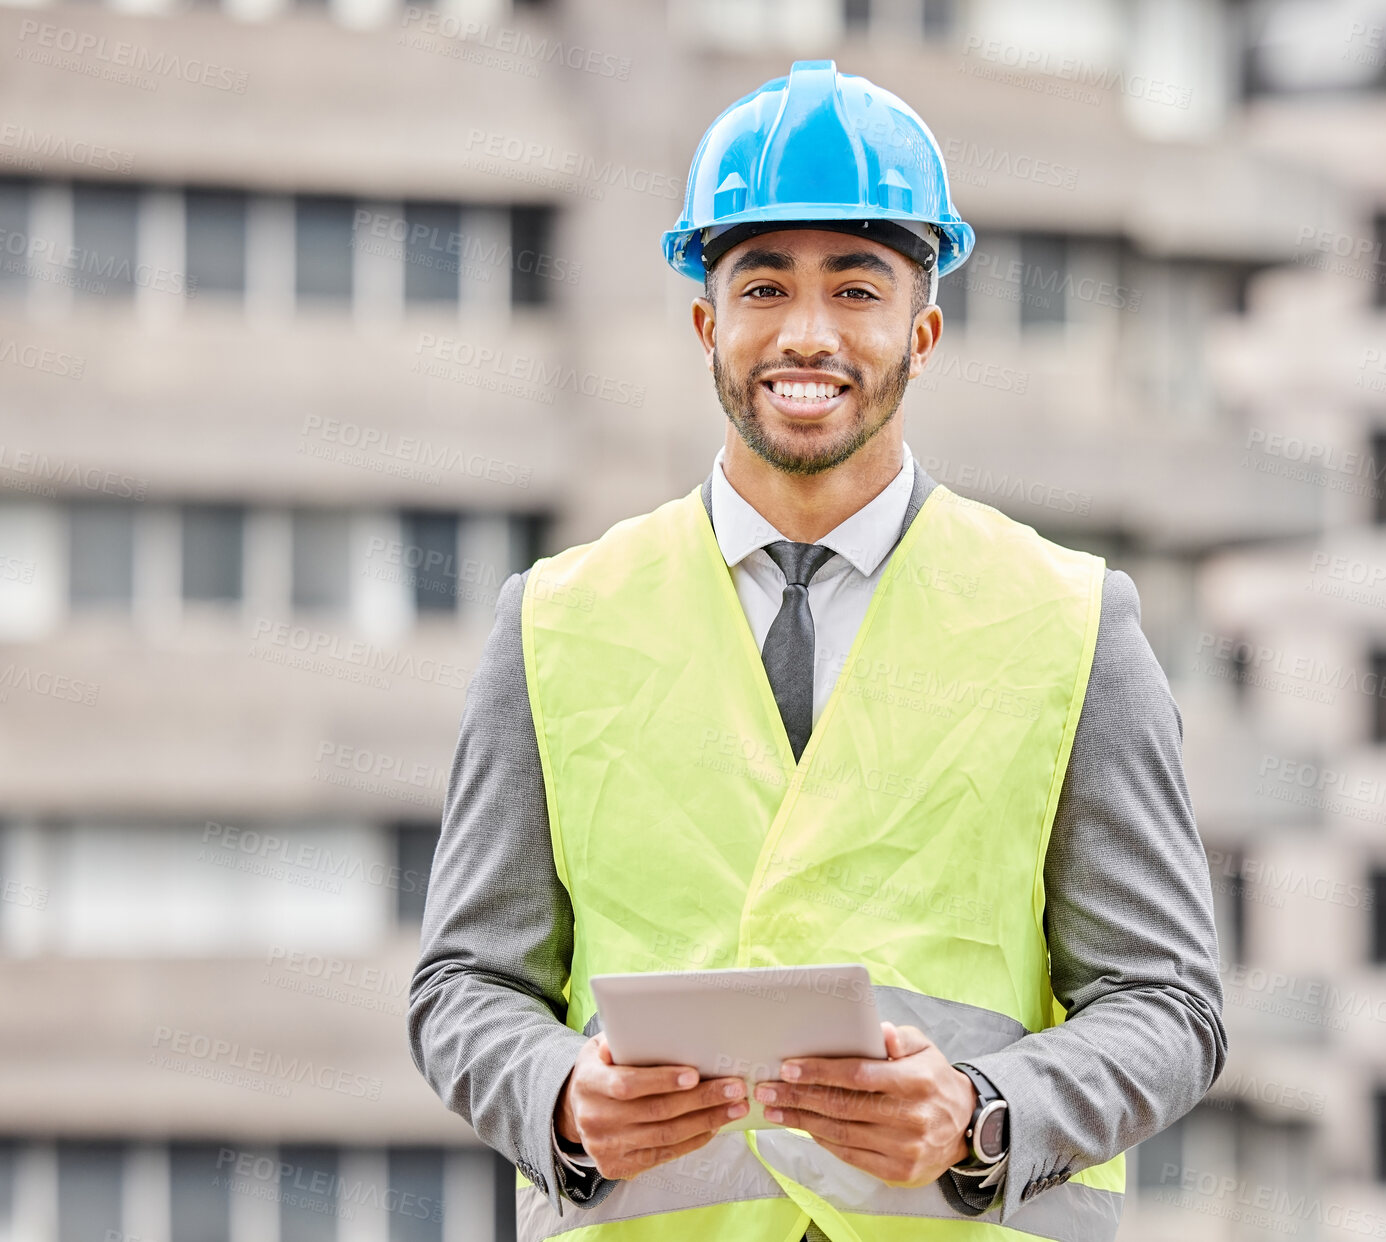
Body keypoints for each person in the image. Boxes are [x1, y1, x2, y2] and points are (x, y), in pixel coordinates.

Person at [408, 60, 1226, 1242]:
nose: (806, 334)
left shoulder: (1072, 624)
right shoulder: (550, 623)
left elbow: (1167, 1005)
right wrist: (559, 1099)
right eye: (763, 287)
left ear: (921, 328)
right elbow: (462, 988)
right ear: (707, 323)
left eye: (854, 288)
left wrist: (982, 1115)